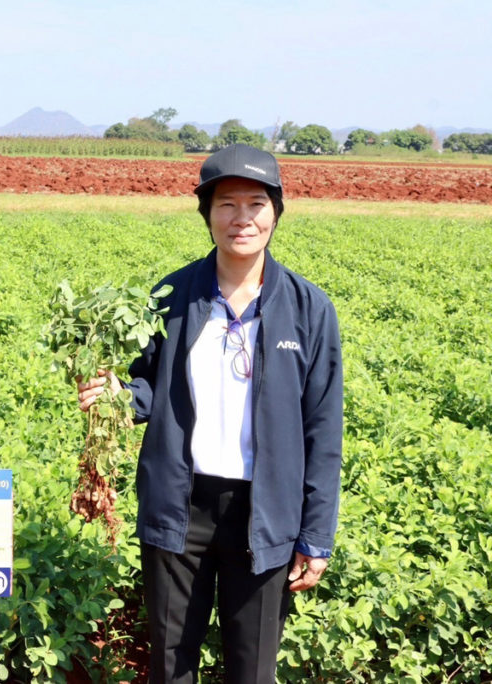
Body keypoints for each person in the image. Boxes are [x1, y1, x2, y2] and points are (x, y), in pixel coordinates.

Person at [77, 144, 343, 683]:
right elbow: (149, 388)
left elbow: (323, 427)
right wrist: (113, 399)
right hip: (180, 503)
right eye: (226, 204)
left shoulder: (309, 308)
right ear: (207, 214)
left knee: (253, 669)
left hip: (265, 513)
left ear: (275, 213)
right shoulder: (170, 295)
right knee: (171, 666)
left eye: (255, 203)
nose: (241, 218)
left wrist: (315, 537)